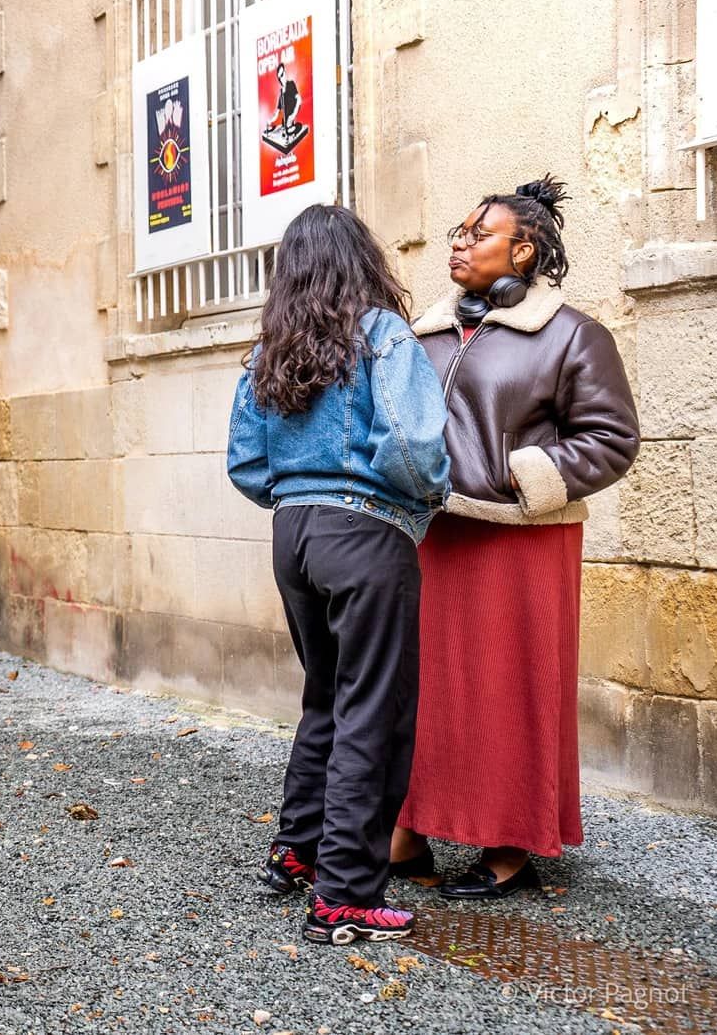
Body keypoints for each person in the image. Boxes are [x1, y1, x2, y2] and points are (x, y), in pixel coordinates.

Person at [390, 178, 638, 899]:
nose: (459, 243)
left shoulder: (573, 334)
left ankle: (509, 845)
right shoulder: (429, 329)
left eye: (478, 233)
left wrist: (518, 477)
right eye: (456, 232)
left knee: (508, 692)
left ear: (522, 250)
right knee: (426, 691)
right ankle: (409, 831)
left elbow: (612, 439)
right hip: (431, 535)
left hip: (519, 543)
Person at [226, 204, 450, 945]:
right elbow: (415, 447)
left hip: (291, 534)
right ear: (364, 260)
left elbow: (246, 464)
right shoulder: (382, 334)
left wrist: (298, 495)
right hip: (365, 531)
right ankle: (346, 895)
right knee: (371, 710)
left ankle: (298, 849)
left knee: (325, 696)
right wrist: (430, 498)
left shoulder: (270, 348)